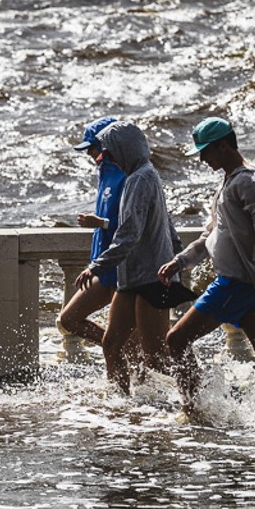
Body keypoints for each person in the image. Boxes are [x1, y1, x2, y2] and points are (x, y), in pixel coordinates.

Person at [157, 117, 255, 416]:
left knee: (176, 339)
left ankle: (192, 411)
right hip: (245, 286)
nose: (202, 159)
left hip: (235, 284)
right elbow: (210, 235)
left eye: (206, 151)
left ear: (224, 145)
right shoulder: (229, 182)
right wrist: (180, 261)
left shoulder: (247, 182)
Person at [74, 121, 183, 394]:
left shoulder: (139, 179)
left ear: (125, 150)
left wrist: (95, 267)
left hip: (149, 279)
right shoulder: (144, 175)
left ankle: (205, 392)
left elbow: (129, 234)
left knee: (157, 357)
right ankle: (120, 402)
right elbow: (168, 230)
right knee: (112, 343)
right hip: (129, 277)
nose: (106, 160)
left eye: (110, 154)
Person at [57, 116, 126, 348]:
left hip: (123, 269)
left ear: (107, 145)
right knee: (69, 319)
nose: (89, 154)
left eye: (92, 148)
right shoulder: (104, 172)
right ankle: (119, 347)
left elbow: (134, 226)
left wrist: (103, 223)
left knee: (138, 345)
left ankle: (123, 356)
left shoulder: (127, 174)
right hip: (103, 267)